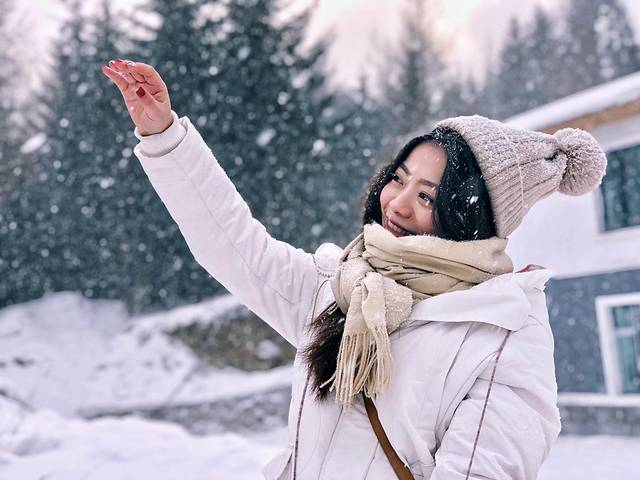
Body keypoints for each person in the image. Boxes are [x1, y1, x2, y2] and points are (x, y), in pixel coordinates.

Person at [101, 58, 607, 480]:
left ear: (470, 218)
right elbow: (232, 245)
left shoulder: (501, 336)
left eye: (428, 197)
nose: (398, 203)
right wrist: (165, 136)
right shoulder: (342, 287)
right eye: (400, 179)